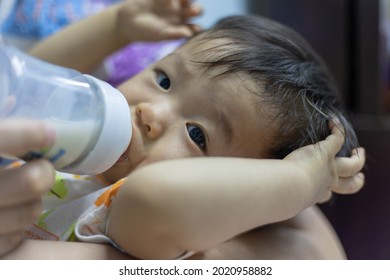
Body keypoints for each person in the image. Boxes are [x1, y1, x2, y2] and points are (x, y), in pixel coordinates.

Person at [0, 0, 365, 259]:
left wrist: (299, 182)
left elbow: (154, 198)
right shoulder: (79, 142)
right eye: (163, 79)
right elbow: (29, 87)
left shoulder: (133, 211)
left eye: (197, 135)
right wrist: (114, 27)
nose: (150, 113)